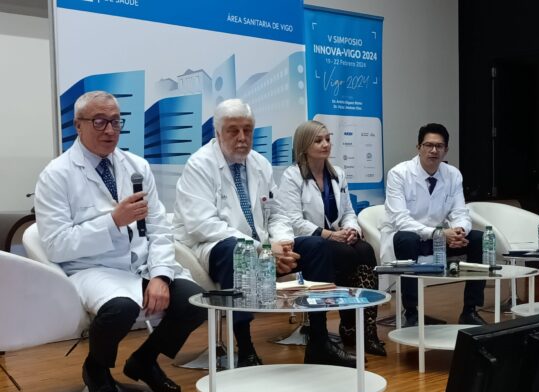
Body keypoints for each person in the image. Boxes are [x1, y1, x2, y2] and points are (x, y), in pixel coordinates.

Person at [34, 91, 206, 392]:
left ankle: (145, 360)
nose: (110, 130)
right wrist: (113, 221)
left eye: (115, 121)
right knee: (121, 309)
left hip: (140, 265)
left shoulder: (136, 166)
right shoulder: (56, 175)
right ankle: (96, 369)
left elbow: (159, 229)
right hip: (91, 268)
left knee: (194, 301)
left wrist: (161, 276)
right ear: (78, 125)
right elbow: (57, 245)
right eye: (99, 121)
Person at [172, 99, 355, 368]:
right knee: (237, 251)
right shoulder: (199, 165)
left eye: (248, 130)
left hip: (264, 248)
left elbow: (277, 214)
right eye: (233, 130)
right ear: (218, 133)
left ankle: (319, 341)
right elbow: (202, 225)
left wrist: (283, 245)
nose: (242, 138)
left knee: (316, 247)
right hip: (214, 249)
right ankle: (246, 349)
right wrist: (264, 250)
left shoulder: (259, 164)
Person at [275, 120, 386, 356]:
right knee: (346, 254)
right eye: (318, 140)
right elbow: (293, 220)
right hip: (307, 242)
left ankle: (367, 329)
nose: (325, 144)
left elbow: (348, 212)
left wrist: (351, 229)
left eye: (327, 139)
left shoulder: (338, 174)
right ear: (304, 145)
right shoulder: (292, 176)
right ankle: (347, 325)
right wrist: (330, 235)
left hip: (335, 239)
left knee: (365, 250)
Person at [380, 123, 486, 327]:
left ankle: (470, 310)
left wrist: (459, 231)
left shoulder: (453, 174)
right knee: (407, 238)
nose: (434, 150)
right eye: (428, 145)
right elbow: (400, 220)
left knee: (478, 239)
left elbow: (460, 212)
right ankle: (411, 313)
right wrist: (440, 233)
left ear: (446, 150)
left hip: (439, 241)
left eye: (439, 146)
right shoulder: (399, 173)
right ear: (418, 147)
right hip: (409, 239)